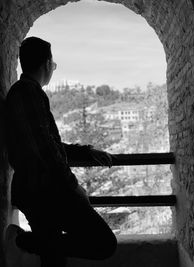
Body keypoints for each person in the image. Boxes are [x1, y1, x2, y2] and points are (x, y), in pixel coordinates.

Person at [5, 37, 117, 267]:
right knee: (103, 243)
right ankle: (21, 243)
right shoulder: (28, 93)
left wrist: (86, 153)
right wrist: (73, 186)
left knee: (53, 258)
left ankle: (27, 243)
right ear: (47, 64)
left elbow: (45, 144)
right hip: (47, 191)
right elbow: (45, 150)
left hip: (36, 190)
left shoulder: (23, 93)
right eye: (53, 65)